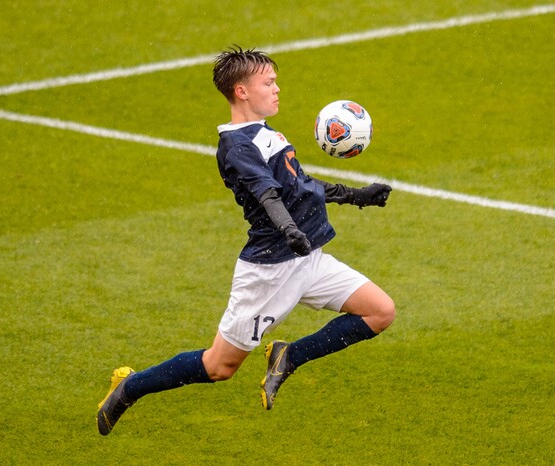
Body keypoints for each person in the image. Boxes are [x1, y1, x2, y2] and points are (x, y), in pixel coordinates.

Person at [97, 46, 395, 435]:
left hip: (307, 257)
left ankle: (288, 356)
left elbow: (300, 186)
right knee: (219, 366)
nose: (276, 89)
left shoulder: (265, 133)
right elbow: (267, 194)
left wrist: (355, 195)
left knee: (380, 311)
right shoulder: (237, 146)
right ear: (242, 91)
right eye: (268, 82)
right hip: (269, 270)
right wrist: (289, 230)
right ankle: (129, 386)